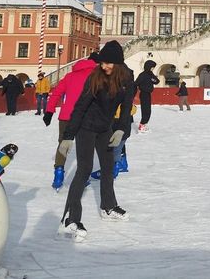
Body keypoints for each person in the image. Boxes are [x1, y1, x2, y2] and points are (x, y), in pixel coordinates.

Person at [57, 40, 134, 241]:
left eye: (108, 63)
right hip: (86, 127)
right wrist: (68, 136)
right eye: (102, 62)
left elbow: (126, 109)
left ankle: (108, 206)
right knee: (84, 170)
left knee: (108, 167)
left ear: (118, 63)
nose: (104, 66)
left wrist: (121, 129)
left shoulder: (126, 79)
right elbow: (80, 107)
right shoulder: (95, 77)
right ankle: (71, 219)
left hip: (105, 128)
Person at [44, 53, 99, 190]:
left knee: (62, 144)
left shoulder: (70, 76)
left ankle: (58, 172)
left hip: (66, 116)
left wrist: (49, 111)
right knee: (85, 147)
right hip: (85, 116)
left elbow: (56, 93)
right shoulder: (96, 76)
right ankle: (83, 175)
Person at [134, 60, 160, 133]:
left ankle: (144, 124)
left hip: (148, 94)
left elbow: (157, 81)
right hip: (143, 94)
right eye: (152, 67)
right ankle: (142, 125)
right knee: (145, 110)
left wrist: (152, 78)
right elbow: (136, 83)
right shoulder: (142, 75)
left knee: (148, 110)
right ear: (148, 67)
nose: (153, 69)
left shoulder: (150, 74)